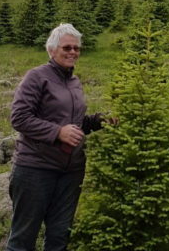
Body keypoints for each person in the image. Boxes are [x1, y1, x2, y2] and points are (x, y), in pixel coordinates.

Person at [6, 23, 106, 251]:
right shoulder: (36, 77)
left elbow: (76, 122)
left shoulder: (74, 81)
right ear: (52, 50)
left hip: (70, 172)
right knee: (22, 239)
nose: (73, 52)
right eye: (67, 47)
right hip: (35, 170)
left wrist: (100, 121)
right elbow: (19, 118)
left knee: (59, 236)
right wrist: (57, 132)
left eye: (77, 48)